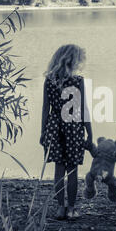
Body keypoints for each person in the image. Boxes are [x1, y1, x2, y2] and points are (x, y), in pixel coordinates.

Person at [40, 44, 92, 220]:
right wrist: (89, 132)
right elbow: (83, 108)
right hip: (73, 126)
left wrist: (43, 132)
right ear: (74, 61)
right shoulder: (78, 81)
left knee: (58, 170)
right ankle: (71, 209)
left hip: (54, 127)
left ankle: (60, 208)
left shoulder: (49, 80)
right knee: (72, 171)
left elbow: (45, 108)